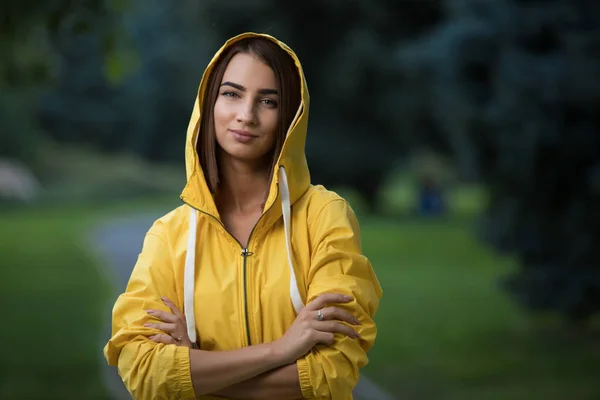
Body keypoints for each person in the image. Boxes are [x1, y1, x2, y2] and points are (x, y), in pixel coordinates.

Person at [103, 32, 383, 400]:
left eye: (268, 101)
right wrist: (281, 351)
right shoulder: (169, 236)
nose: (246, 116)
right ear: (209, 103)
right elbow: (143, 372)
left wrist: (196, 369)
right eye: (231, 94)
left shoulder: (325, 217)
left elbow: (331, 374)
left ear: (291, 115)